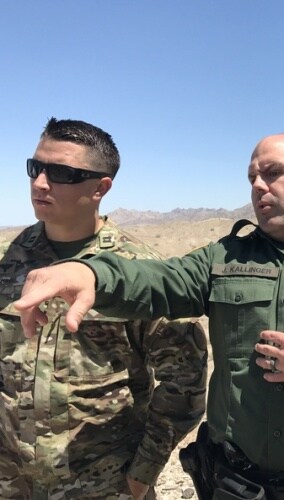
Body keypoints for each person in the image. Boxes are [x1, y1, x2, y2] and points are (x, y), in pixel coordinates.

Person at [14, 132, 284, 499]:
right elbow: (161, 280)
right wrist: (93, 273)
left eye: (273, 173)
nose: (258, 186)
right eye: (252, 177)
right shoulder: (225, 258)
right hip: (237, 486)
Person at [0, 118, 208, 499]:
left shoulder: (140, 274)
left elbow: (185, 381)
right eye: (36, 168)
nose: (40, 183)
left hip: (103, 486)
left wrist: (143, 471)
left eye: (61, 173)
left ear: (101, 187)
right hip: (12, 482)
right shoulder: (7, 260)